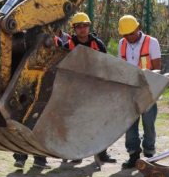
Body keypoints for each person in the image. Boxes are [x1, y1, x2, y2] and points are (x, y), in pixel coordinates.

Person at [61, 12, 117, 165]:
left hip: (96, 89)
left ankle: (102, 153)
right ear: (74, 29)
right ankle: (76, 154)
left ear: (88, 27)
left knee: (99, 122)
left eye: (84, 26)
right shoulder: (67, 46)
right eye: (78, 26)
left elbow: (106, 65)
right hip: (75, 90)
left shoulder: (98, 44)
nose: (82, 29)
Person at [118, 14, 162, 169]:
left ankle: (149, 153)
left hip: (148, 89)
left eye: (131, 33)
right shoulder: (122, 43)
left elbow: (157, 68)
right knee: (130, 124)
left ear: (138, 28)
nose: (128, 37)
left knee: (148, 123)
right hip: (129, 91)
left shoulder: (152, 42)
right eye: (125, 34)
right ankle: (133, 155)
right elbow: (121, 67)